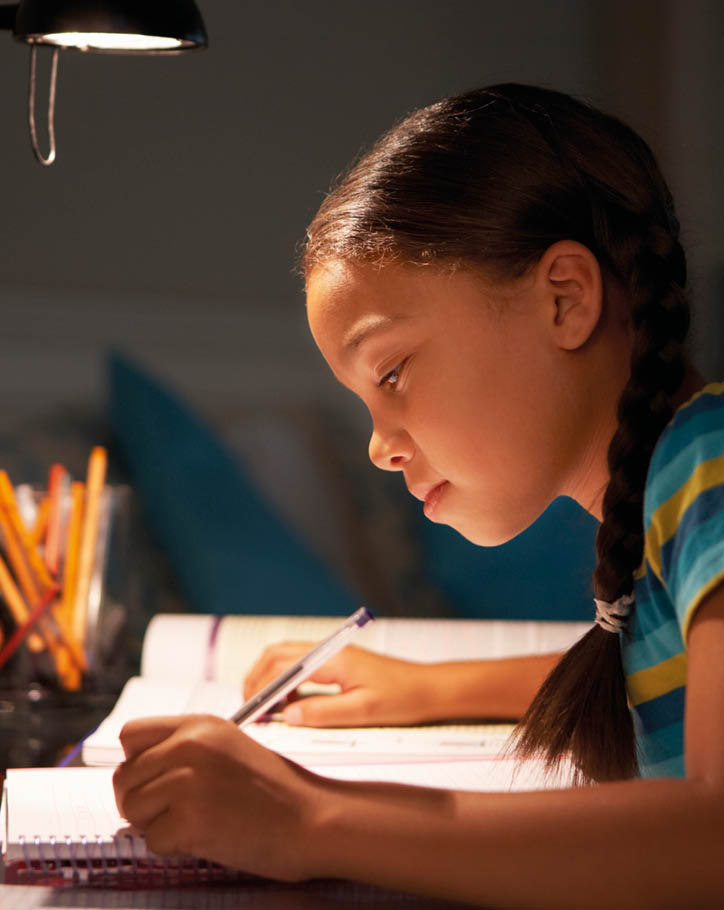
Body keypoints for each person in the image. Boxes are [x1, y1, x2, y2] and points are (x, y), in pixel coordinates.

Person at [113, 84, 724, 907]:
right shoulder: (672, 486)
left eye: (393, 373)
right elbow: (666, 674)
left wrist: (310, 817)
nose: (378, 445)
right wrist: (430, 686)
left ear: (565, 299)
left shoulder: (710, 463)